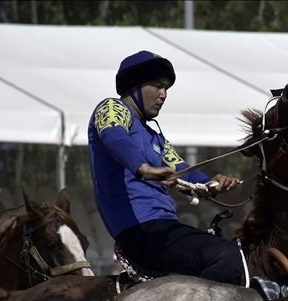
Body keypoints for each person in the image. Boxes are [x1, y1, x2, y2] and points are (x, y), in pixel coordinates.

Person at [89, 51, 242, 285]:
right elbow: (115, 137)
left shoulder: (155, 137)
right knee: (225, 256)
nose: (163, 95)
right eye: (158, 86)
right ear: (134, 85)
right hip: (139, 229)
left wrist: (211, 184)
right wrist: (145, 168)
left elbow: (183, 170)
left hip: (162, 228)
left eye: (167, 89)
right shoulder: (112, 108)